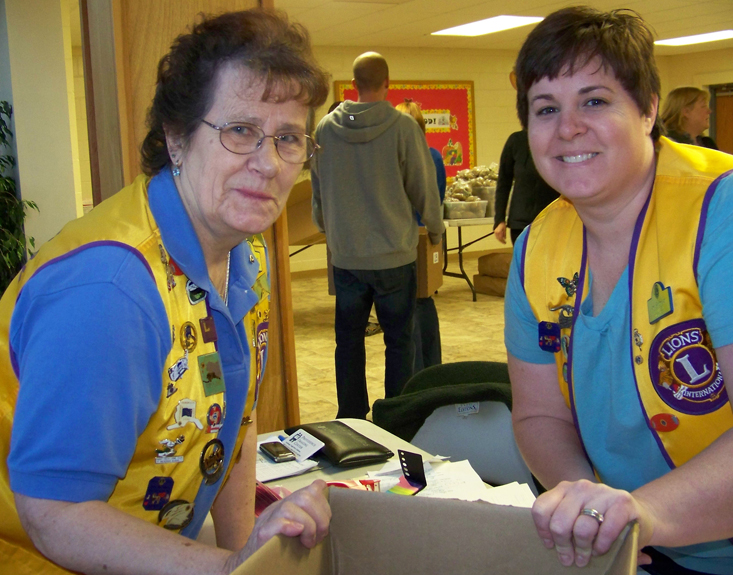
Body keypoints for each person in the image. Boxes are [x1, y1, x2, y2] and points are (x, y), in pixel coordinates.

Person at [0, 10, 332, 574]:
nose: (269, 164)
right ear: (176, 138)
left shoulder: (245, 252)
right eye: (240, 131)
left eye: (288, 138)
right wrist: (226, 570)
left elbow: (236, 419)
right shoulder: (111, 290)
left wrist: (246, 556)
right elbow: (53, 512)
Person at [504, 6, 733, 574]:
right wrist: (588, 504)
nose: (568, 127)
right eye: (546, 108)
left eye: (596, 100)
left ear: (649, 109)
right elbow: (539, 418)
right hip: (633, 547)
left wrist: (641, 513)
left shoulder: (719, 211)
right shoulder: (536, 247)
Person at [311, 52, 444, 419]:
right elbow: (423, 186)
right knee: (399, 342)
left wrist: (328, 227)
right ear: (388, 83)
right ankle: (395, 416)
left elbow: (318, 190)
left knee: (348, 343)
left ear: (353, 85)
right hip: (394, 257)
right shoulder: (403, 129)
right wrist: (434, 228)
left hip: (347, 258)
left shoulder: (324, 130)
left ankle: (351, 415)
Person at [394, 98, 446, 371]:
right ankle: (432, 367)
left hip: (405, 240)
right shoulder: (434, 156)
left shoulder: (398, 159)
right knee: (425, 300)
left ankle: (415, 372)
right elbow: (438, 198)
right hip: (429, 238)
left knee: (407, 307)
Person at [493, 129, 559, 245]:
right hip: (521, 223)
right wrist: (499, 220)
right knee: (523, 262)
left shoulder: (558, 140)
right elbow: (503, 183)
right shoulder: (516, 141)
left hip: (553, 220)